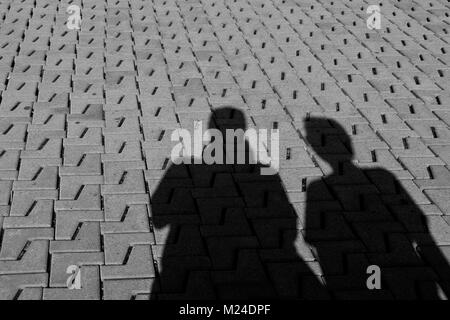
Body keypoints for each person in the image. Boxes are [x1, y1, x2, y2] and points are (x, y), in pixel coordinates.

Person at [149, 107, 325, 299]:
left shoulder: (184, 163)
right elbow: (289, 224)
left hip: (182, 256)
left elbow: (159, 219)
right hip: (272, 265)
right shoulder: (264, 168)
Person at [303, 117, 450, 299]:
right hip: (409, 268)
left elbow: (313, 238)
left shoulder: (317, 187)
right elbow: (421, 230)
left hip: (360, 272)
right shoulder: (383, 175)